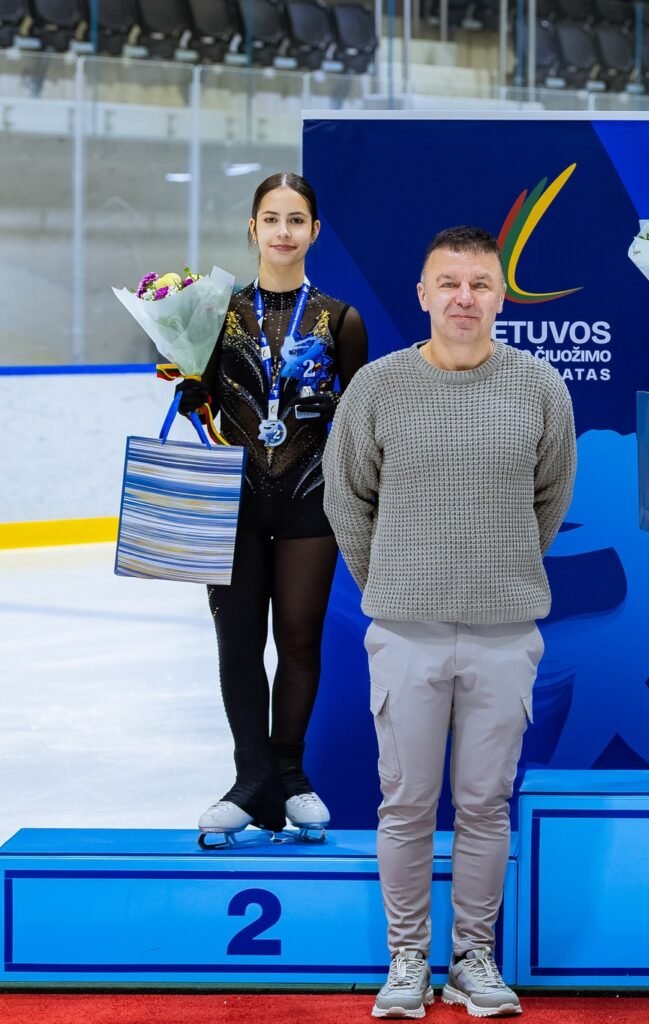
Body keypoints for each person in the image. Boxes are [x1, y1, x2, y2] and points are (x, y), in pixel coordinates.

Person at [323, 225, 576, 1019]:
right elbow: (346, 499)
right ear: (424, 294)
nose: (465, 297)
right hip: (405, 632)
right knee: (404, 804)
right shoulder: (377, 388)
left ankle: (472, 957)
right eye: (450, 283)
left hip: (506, 634)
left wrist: (494, 575)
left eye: (481, 284)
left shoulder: (540, 387)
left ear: (501, 297)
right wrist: (397, 583)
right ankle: (406, 959)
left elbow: (550, 499)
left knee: (484, 803)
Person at [176, 171, 370, 847]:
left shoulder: (342, 319)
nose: (283, 231)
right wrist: (180, 377)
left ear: (315, 231)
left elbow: (355, 419)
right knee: (237, 642)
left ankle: (288, 771)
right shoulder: (211, 314)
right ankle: (249, 776)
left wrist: (334, 409)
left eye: (297, 219)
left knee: (298, 638)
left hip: (310, 499)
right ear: (252, 229)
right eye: (271, 218)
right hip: (230, 500)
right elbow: (197, 396)